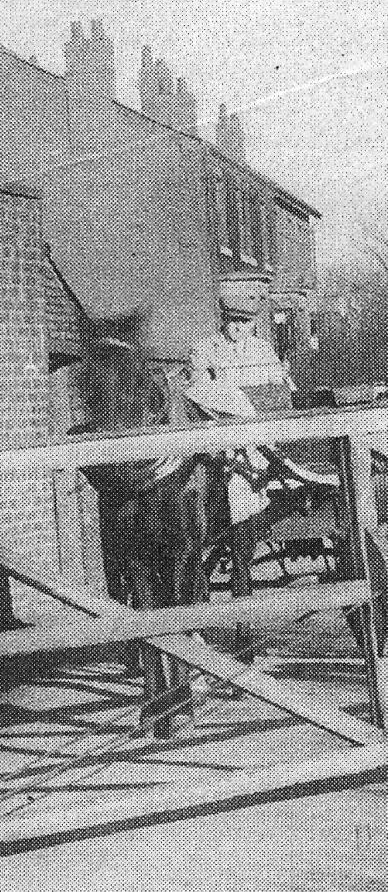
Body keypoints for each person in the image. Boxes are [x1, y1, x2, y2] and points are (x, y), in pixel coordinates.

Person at [189, 273, 287, 661]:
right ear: (222, 319)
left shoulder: (263, 350)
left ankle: (260, 498)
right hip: (220, 442)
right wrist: (229, 397)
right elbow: (196, 393)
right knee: (230, 480)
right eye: (231, 321)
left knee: (250, 477)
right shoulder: (205, 349)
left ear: (254, 321)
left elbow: (279, 395)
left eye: (245, 322)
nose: (238, 329)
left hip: (260, 442)